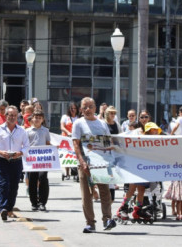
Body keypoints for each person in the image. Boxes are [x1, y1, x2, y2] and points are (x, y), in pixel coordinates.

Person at [72, 97, 116, 233]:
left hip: (101, 163)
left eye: (90, 106)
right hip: (85, 163)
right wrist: (82, 162)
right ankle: (90, 223)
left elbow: (109, 143)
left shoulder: (102, 124)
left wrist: (111, 161)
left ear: (95, 108)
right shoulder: (78, 124)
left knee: (105, 192)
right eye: (84, 107)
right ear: (81, 109)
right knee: (87, 194)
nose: (87, 109)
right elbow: (75, 144)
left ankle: (107, 219)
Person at [0, 105, 30, 222]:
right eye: (9, 115)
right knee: (3, 185)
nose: (12, 117)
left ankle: (9, 208)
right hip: (3, 160)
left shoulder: (22, 131)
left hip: (16, 162)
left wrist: (20, 153)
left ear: (17, 116)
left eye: (14, 115)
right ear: (6, 116)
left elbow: (27, 146)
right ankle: (3, 208)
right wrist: (0, 152)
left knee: (13, 186)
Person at [116, 110, 152, 220]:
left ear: (149, 118)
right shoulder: (135, 132)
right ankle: (123, 208)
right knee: (132, 187)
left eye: (146, 116)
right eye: (142, 117)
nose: (144, 119)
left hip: (146, 163)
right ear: (139, 119)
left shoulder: (153, 132)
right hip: (135, 163)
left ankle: (138, 210)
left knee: (141, 189)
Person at [26, 110, 51, 211]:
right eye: (35, 117)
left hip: (43, 159)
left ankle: (42, 202)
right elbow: (25, 145)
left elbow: (48, 143)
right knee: (32, 180)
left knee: (43, 178)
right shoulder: (27, 131)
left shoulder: (45, 131)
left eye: (39, 118)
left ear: (42, 120)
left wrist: (53, 149)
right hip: (31, 160)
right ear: (32, 119)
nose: (37, 120)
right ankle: (34, 202)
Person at [60, 102, 79, 179]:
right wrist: (68, 132)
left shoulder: (78, 117)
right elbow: (62, 126)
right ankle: (67, 173)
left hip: (75, 139)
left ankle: (76, 172)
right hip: (66, 138)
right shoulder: (65, 117)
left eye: (74, 108)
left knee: (75, 155)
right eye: (72, 109)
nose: (73, 110)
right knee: (66, 155)